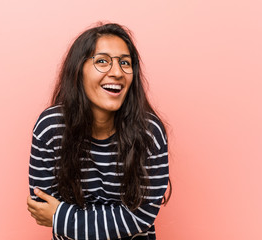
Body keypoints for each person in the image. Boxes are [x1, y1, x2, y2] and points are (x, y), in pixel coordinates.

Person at [27, 22, 171, 240]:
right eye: (102, 61)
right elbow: (42, 207)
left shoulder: (149, 132)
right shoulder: (51, 128)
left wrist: (64, 217)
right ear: (78, 70)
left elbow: (141, 218)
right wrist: (118, 217)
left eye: (125, 63)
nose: (117, 72)